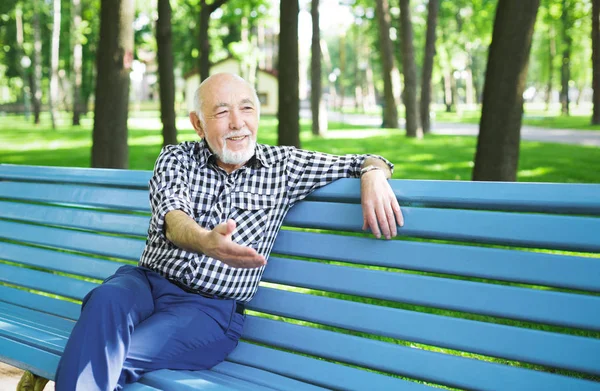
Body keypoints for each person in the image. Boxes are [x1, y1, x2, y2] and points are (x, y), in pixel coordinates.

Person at [54, 73, 404, 391]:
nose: (238, 124)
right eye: (221, 113)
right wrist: (205, 241)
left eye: (247, 109)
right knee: (106, 298)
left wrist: (372, 174)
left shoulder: (285, 167)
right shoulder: (176, 159)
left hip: (207, 310)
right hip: (144, 282)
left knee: (109, 356)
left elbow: (364, 160)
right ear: (198, 124)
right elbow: (173, 217)